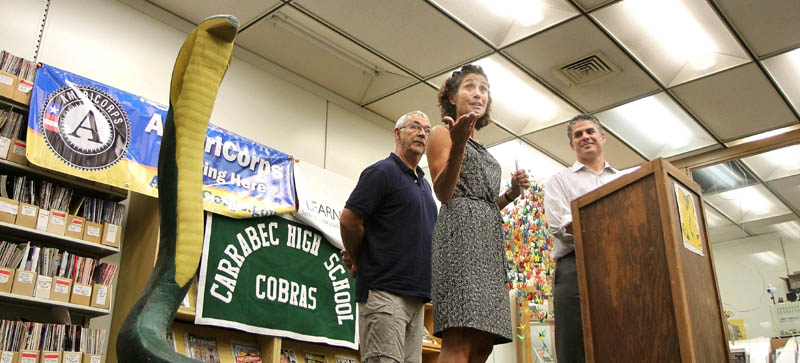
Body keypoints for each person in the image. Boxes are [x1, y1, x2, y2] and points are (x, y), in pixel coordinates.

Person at [426, 64, 529, 363]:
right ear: (452, 98)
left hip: (489, 244)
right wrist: (458, 144)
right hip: (459, 241)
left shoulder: (483, 147)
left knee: (484, 342)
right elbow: (445, 193)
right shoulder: (442, 134)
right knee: (460, 335)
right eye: (470, 86)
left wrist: (510, 195)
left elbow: (482, 204)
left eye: (484, 89)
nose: (478, 93)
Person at [340, 110, 438, 363]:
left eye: (427, 130)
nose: (422, 134)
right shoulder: (381, 172)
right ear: (397, 133)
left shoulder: (426, 187)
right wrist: (358, 258)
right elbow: (350, 221)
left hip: (416, 299)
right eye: (415, 127)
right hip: (384, 294)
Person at [543, 114, 621, 363]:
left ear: (602, 137)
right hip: (574, 267)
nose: (585, 137)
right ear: (571, 145)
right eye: (578, 135)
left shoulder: (622, 181)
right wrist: (611, 232)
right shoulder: (560, 180)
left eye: (590, 131)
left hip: (620, 266)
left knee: (619, 334)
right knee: (574, 344)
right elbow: (560, 225)